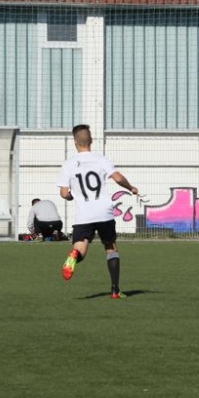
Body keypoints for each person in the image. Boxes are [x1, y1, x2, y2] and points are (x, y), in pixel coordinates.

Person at [57, 124, 139, 299]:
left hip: (83, 214)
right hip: (104, 212)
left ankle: (74, 256)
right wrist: (130, 187)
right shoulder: (100, 159)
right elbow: (117, 178)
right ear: (91, 140)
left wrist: (72, 196)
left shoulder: (69, 164)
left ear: (75, 142)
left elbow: (64, 193)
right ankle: (115, 290)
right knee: (110, 248)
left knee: (80, 249)